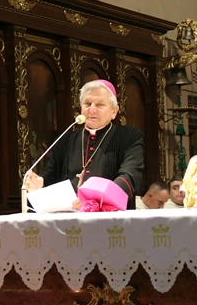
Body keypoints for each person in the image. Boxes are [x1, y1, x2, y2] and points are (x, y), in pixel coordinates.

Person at [24, 80, 144, 210]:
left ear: (114, 111)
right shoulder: (65, 140)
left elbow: (129, 177)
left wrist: (97, 200)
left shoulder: (128, 137)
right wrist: (40, 185)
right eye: (87, 104)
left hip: (110, 217)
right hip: (68, 217)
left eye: (100, 104)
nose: (92, 110)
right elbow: (51, 179)